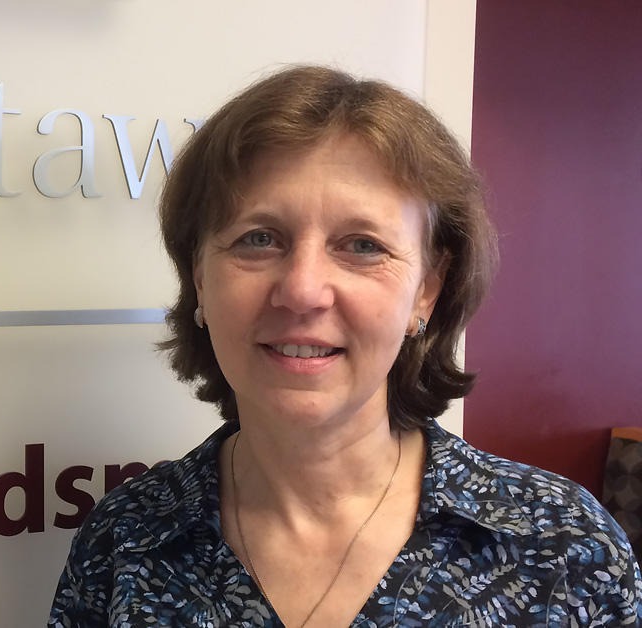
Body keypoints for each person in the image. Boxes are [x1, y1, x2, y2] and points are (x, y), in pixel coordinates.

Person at [48, 66, 641, 627]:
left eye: (361, 246)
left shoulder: (562, 550)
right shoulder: (125, 544)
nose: (303, 290)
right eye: (259, 238)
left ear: (426, 291)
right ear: (200, 278)